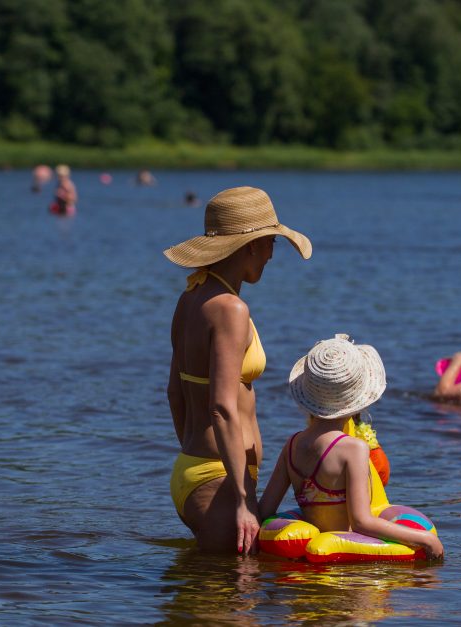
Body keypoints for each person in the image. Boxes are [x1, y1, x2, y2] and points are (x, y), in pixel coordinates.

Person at [165, 186, 312, 554]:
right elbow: (223, 407)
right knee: (235, 604)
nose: (272, 256)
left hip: (197, 468)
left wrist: (193, 453)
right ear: (251, 246)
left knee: (212, 598)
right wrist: (244, 498)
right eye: (271, 245)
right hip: (220, 478)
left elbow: (174, 391)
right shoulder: (231, 309)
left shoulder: (191, 298)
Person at [258, 335, 444, 560]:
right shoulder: (352, 448)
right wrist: (426, 539)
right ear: (357, 400)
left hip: (310, 553)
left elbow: (265, 510)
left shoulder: (292, 445)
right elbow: (361, 522)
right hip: (345, 556)